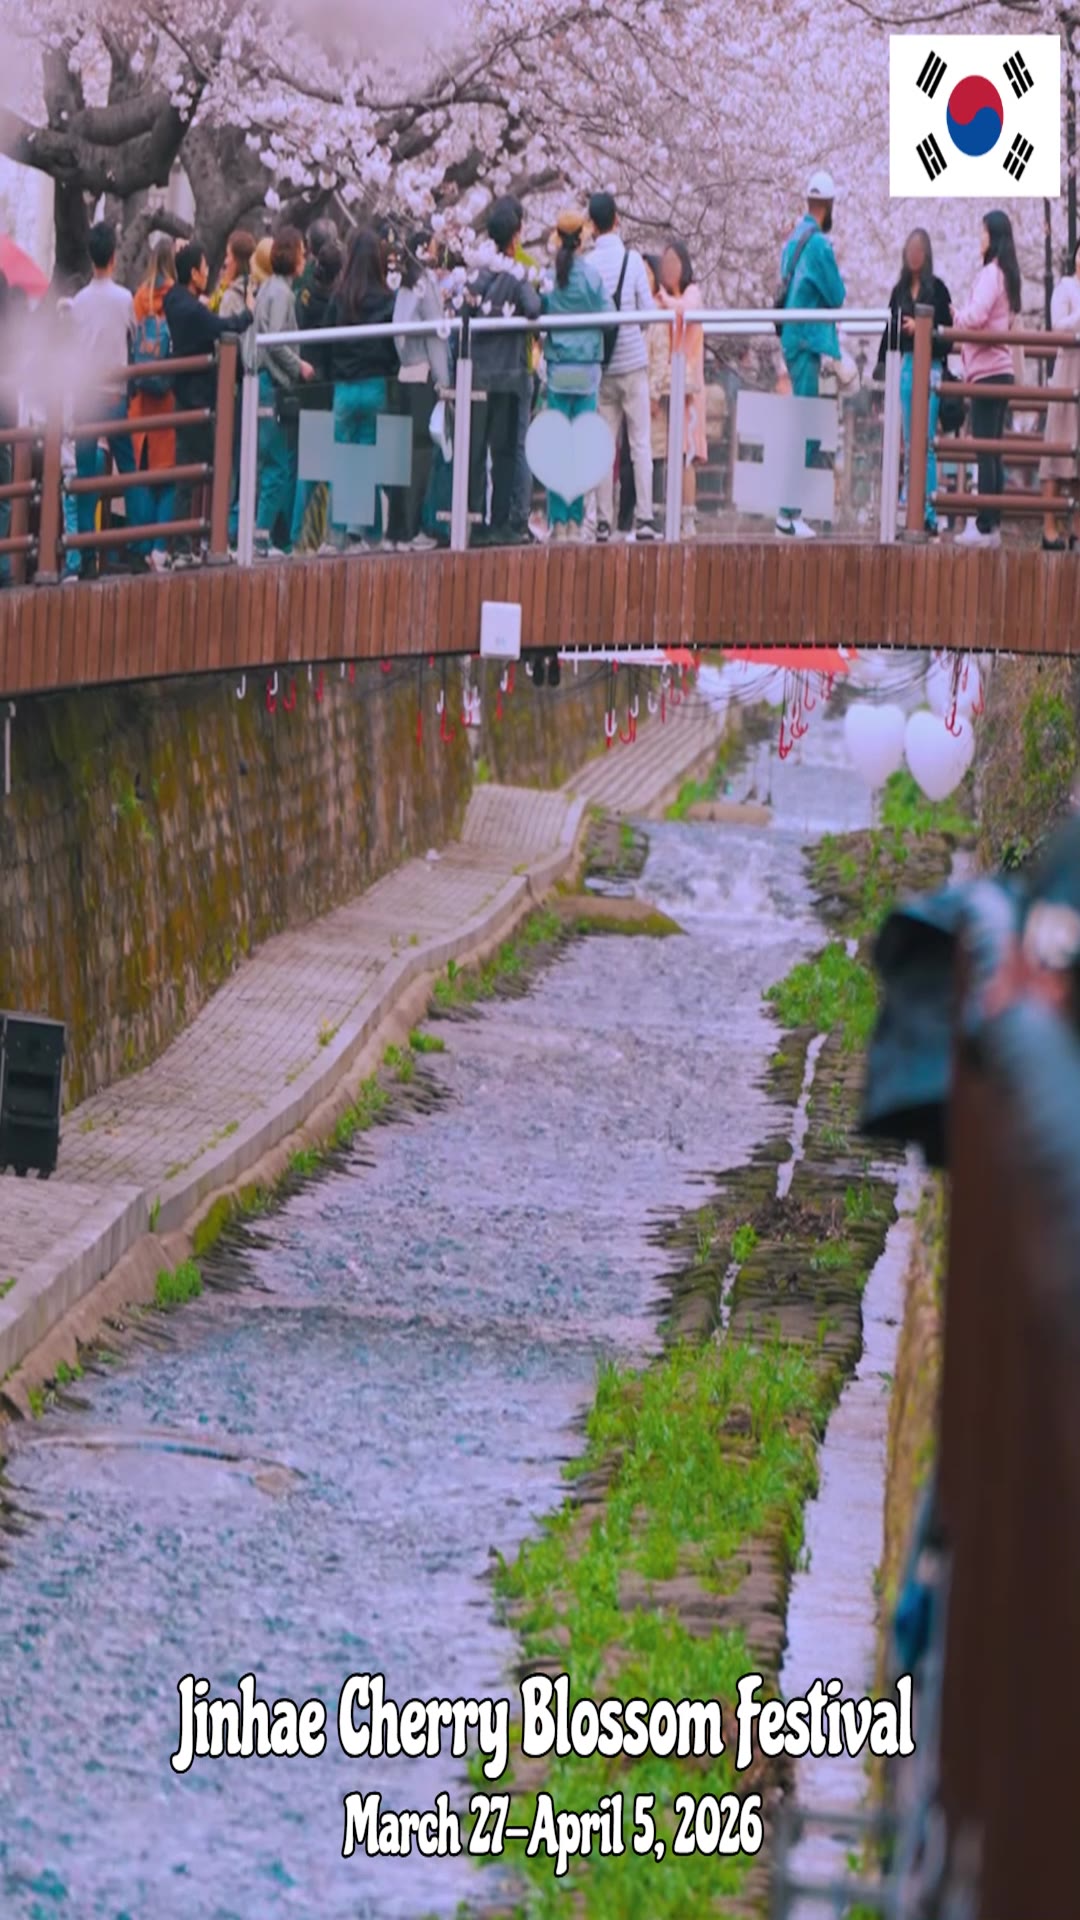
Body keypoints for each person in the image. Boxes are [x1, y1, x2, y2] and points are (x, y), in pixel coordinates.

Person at [162, 241, 254, 564]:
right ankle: (212, 541)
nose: (207, 272)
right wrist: (249, 312)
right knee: (216, 467)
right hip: (199, 398)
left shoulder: (174, 300)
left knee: (187, 474)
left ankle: (183, 546)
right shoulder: (192, 311)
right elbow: (224, 327)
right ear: (193, 273)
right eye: (203, 267)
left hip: (184, 396)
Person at [466, 196, 542, 544]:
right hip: (509, 376)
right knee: (506, 452)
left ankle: (475, 521)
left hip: (478, 375)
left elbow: (465, 308)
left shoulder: (478, 273)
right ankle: (500, 523)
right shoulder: (516, 272)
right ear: (515, 237)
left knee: (477, 449)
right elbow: (533, 307)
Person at [776, 169, 846, 539]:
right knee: (807, 427)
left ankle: (790, 512)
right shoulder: (818, 245)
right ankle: (788, 513)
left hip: (793, 338)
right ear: (829, 205)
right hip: (805, 340)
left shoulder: (793, 239)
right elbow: (837, 294)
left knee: (805, 424)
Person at [586, 191, 656, 543]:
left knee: (604, 445)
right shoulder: (632, 261)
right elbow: (648, 312)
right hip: (633, 363)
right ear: (616, 219)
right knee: (640, 442)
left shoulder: (588, 264)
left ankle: (603, 519)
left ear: (592, 224)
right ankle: (644, 517)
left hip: (603, 365)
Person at [538, 209, 611, 542]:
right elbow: (609, 316)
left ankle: (558, 520)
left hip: (558, 370)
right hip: (586, 371)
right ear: (582, 239)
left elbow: (540, 309)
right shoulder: (592, 277)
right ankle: (575, 519)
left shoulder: (550, 277)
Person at [951, 209, 1022, 548]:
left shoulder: (991, 273)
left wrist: (956, 316)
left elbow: (977, 315)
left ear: (994, 237)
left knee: (985, 449)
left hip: (988, 372)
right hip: (1000, 371)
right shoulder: (1006, 274)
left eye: (983, 232)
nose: (980, 238)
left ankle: (983, 526)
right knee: (992, 450)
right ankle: (991, 524)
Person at [71, 220, 137, 578]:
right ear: (113, 256)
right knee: (129, 470)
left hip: (86, 396)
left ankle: (87, 558)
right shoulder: (125, 299)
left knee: (85, 476)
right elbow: (133, 338)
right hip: (115, 395)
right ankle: (138, 550)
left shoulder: (79, 302)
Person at [324, 226, 398, 548]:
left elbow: (324, 340)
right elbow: (394, 346)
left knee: (342, 460)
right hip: (375, 385)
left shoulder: (339, 298)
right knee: (367, 458)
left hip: (344, 387)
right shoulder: (387, 299)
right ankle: (366, 532)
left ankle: (338, 533)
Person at [875, 229, 952, 536]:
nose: (914, 256)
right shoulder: (899, 291)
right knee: (909, 444)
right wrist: (881, 367)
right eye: (910, 250)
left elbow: (948, 334)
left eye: (919, 250)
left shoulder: (938, 290)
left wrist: (921, 328)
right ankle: (910, 511)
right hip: (905, 366)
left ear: (927, 254)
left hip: (930, 366)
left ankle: (929, 513)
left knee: (926, 442)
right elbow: (888, 329)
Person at [251, 227, 314, 555]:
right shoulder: (283, 295)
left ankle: (260, 535)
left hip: (263, 381)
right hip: (273, 383)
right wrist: (298, 366)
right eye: (301, 252)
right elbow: (275, 341)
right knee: (277, 466)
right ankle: (261, 536)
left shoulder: (267, 288)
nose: (305, 258)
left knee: (268, 463)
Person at [387, 231, 451, 550]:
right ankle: (415, 528)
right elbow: (436, 336)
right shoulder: (426, 284)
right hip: (425, 373)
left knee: (404, 455)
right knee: (422, 455)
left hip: (405, 373)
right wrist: (444, 381)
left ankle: (399, 529)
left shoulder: (404, 285)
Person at [292, 237, 344, 553]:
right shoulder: (334, 302)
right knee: (328, 466)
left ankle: (297, 535)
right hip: (327, 385)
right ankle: (323, 535)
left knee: (307, 468)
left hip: (305, 382)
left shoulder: (305, 295)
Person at [128, 236, 177, 571]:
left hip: (142, 401)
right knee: (169, 477)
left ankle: (143, 545)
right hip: (168, 400)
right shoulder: (177, 297)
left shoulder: (139, 298)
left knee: (144, 476)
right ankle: (160, 547)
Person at [657, 239, 707, 539]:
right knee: (670, 450)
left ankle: (688, 516)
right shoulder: (661, 300)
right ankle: (670, 515)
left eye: (674, 262)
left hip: (689, 385)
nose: (669, 269)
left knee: (687, 452)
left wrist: (665, 301)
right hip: (666, 385)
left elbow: (687, 309)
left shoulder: (691, 293)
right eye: (666, 263)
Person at [1041, 241, 1080, 550]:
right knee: (1056, 447)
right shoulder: (1065, 287)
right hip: (1068, 368)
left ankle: (1077, 528)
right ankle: (1049, 527)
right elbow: (1058, 326)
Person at [214, 229, 257, 319]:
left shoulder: (230, 297)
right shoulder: (258, 290)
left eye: (228, 255)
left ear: (237, 262)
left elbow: (224, 327)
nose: (225, 262)